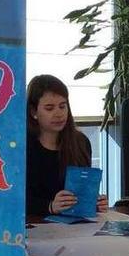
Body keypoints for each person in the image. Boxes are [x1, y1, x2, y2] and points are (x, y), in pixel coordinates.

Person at [26, 75, 108, 216]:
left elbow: (80, 189)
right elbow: (14, 200)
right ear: (34, 112)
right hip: (36, 228)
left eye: (62, 106)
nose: (59, 114)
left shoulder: (80, 142)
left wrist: (93, 201)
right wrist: (50, 206)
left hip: (75, 228)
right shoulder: (23, 146)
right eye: (49, 108)